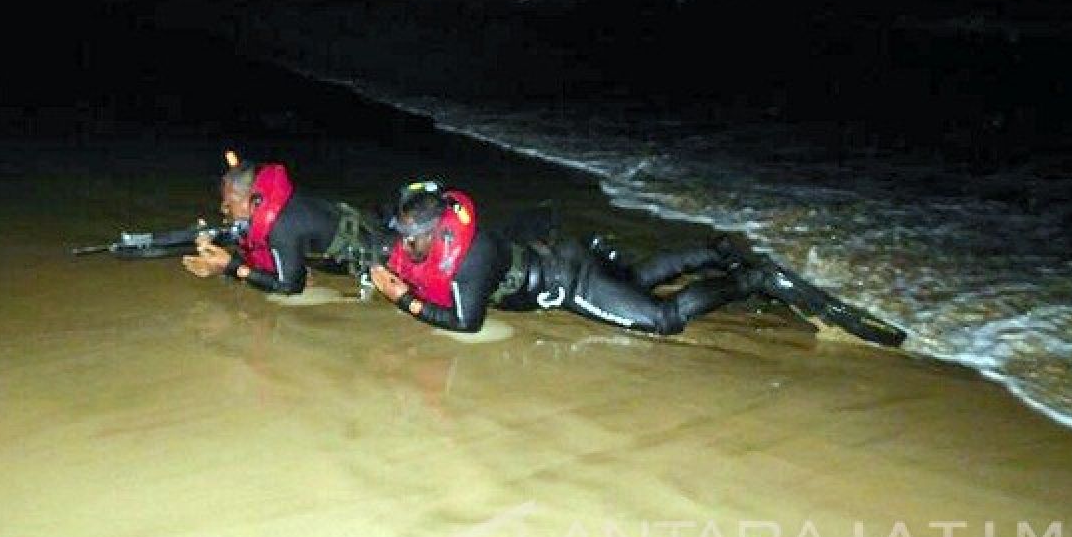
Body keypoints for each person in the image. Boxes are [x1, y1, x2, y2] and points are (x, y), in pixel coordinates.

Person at [367, 180, 907, 346]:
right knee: (635, 277)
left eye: (409, 234)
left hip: (570, 280)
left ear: (437, 229)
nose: (402, 242)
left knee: (662, 320)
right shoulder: (446, 234)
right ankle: (714, 250)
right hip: (567, 253)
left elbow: (466, 322)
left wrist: (402, 298)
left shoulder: (470, 258)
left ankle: (754, 278)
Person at [182, 153, 388, 297]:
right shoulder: (275, 204)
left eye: (230, 201)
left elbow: (290, 287)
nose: (223, 208)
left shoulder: (283, 227)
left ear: (255, 201)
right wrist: (212, 239)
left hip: (383, 260)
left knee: (279, 302)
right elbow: (254, 245)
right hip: (368, 228)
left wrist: (230, 267)